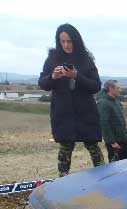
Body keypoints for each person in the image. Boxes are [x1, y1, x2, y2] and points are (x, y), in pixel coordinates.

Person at [38, 24, 104, 177]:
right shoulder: (52, 58)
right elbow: (43, 83)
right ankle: (62, 183)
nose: (66, 45)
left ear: (76, 40)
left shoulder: (86, 59)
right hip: (63, 113)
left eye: (69, 41)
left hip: (85, 112)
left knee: (93, 147)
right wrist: (53, 77)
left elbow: (96, 86)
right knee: (65, 148)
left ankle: (103, 179)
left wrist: (76, 75)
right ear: (58, 41)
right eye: (62, 41)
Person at [97, 80, 127, 161]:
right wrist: (112, 142)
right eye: (118, 88)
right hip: (115, 143)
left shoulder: (116, 102)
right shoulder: (103, 103)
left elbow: (120, 122)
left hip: (122, 140)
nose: (120, 90)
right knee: (115, 167)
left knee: (123, 165)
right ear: (111, 88)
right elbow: (104, 123)